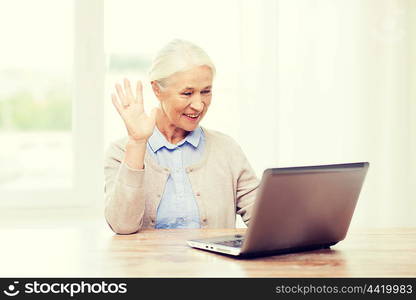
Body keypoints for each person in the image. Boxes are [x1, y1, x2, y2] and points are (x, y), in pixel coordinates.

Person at [104, 39, 259, 234]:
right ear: (157, 89)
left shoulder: (227, 149)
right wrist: (137, 143)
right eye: (187, 93)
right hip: (146, 265)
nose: (199, 105)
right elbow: (122, 226)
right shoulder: (119, 152)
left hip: (213, 265)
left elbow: (267, 220)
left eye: (206, 92)